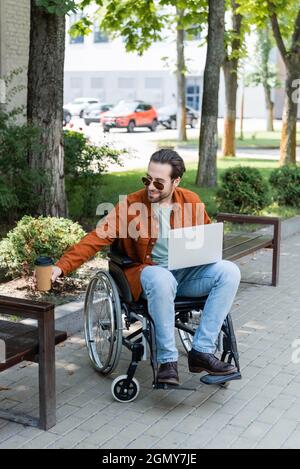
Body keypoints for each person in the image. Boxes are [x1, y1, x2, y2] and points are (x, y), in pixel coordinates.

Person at [51, 149, 241, 385]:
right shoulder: (131, 205)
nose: (151, 187)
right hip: (149, 274)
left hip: (184, 275)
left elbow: (206, 241)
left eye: (159, 183)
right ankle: (167, 361)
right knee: (162, 278)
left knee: (230, 271)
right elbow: (96, 237)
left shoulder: (191, 200)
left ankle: (201, 351)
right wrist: (60, 267)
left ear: (175, 182)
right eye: (147, 180)